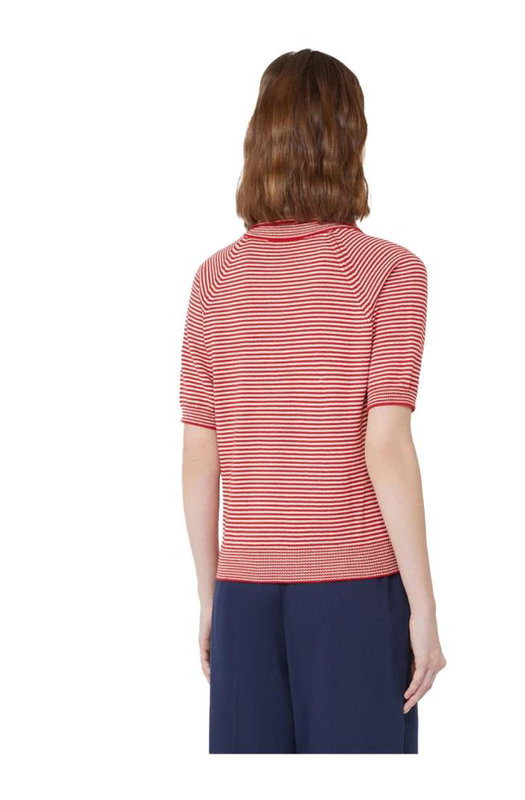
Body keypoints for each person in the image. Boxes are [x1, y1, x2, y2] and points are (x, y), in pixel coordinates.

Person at [180, 49, 446, 754]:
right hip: (355, 590)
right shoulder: (390, 271)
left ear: (260, 139)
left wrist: (211, 598)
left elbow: (200, 452)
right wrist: (423, 607)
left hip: (243, 593)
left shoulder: (213, 279)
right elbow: (386, 444)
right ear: (350, 138)